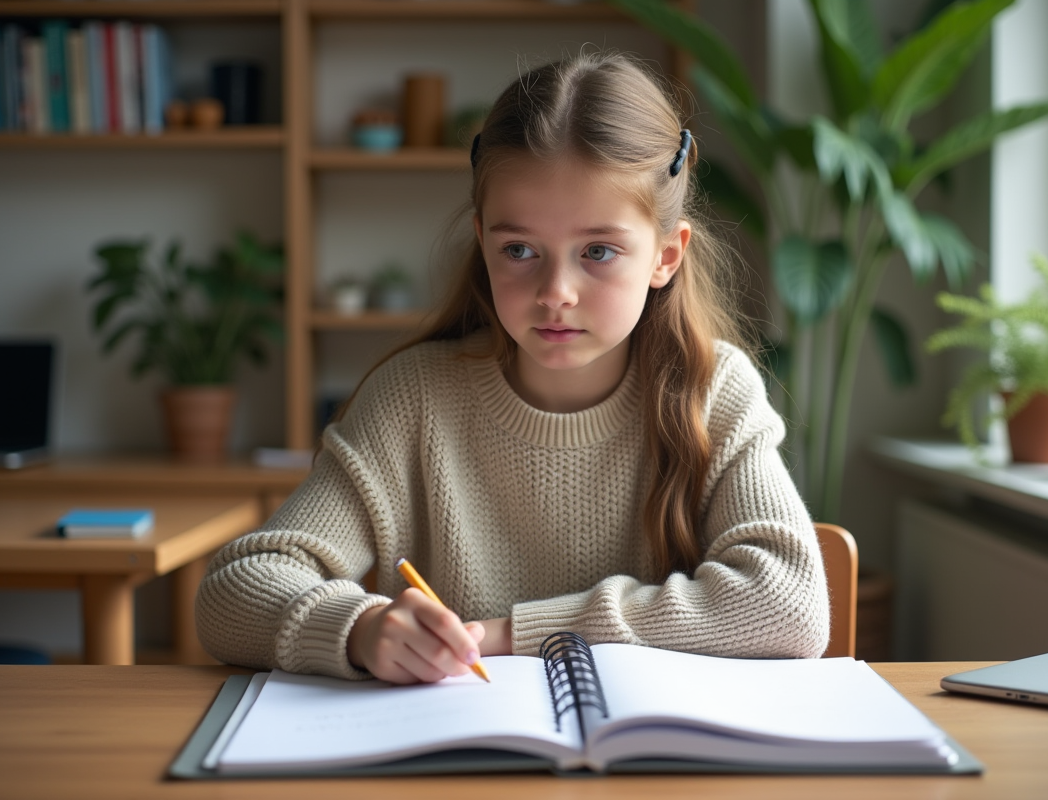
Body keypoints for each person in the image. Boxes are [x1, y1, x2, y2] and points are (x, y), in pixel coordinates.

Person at [196, 51, 828, 684]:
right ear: (483, 240)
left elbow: (789, 606)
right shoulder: (413, 398)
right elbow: (232, 593)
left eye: (599, 251)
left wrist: (511, 635)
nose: (557, 291)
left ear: (666, 256)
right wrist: (358, 630)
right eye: (519, 249)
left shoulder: (714, 389)